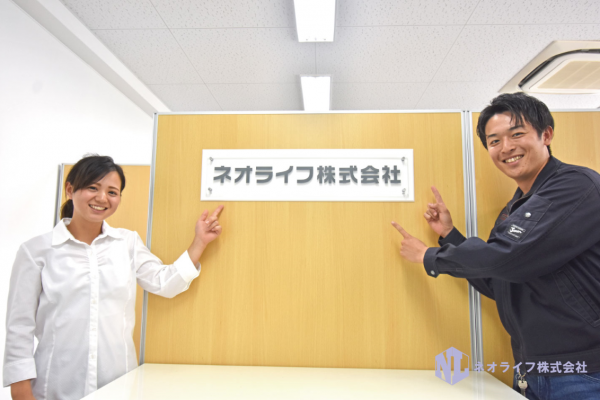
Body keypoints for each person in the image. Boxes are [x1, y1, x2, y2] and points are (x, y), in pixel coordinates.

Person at [391, 93, 600, 399]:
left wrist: (429, 256)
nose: (506, 147)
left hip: (583, 370)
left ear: (546, 135)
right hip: (534, 368)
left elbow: (508, 259)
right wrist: (450, 236)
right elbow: (499, 280)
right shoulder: (514, 208)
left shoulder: (575, 186)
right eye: (494, 141)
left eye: (516, 134)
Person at [3, 155, 224, 400]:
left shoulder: (127, 243)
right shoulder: (36, 251)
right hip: (54, 388)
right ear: (70, 189)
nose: (102, 198)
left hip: (118, 386)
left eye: (112, 192)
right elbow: (19, 326)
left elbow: (164, 283)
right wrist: (20, 390)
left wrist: (199, 243)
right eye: (92, 188)